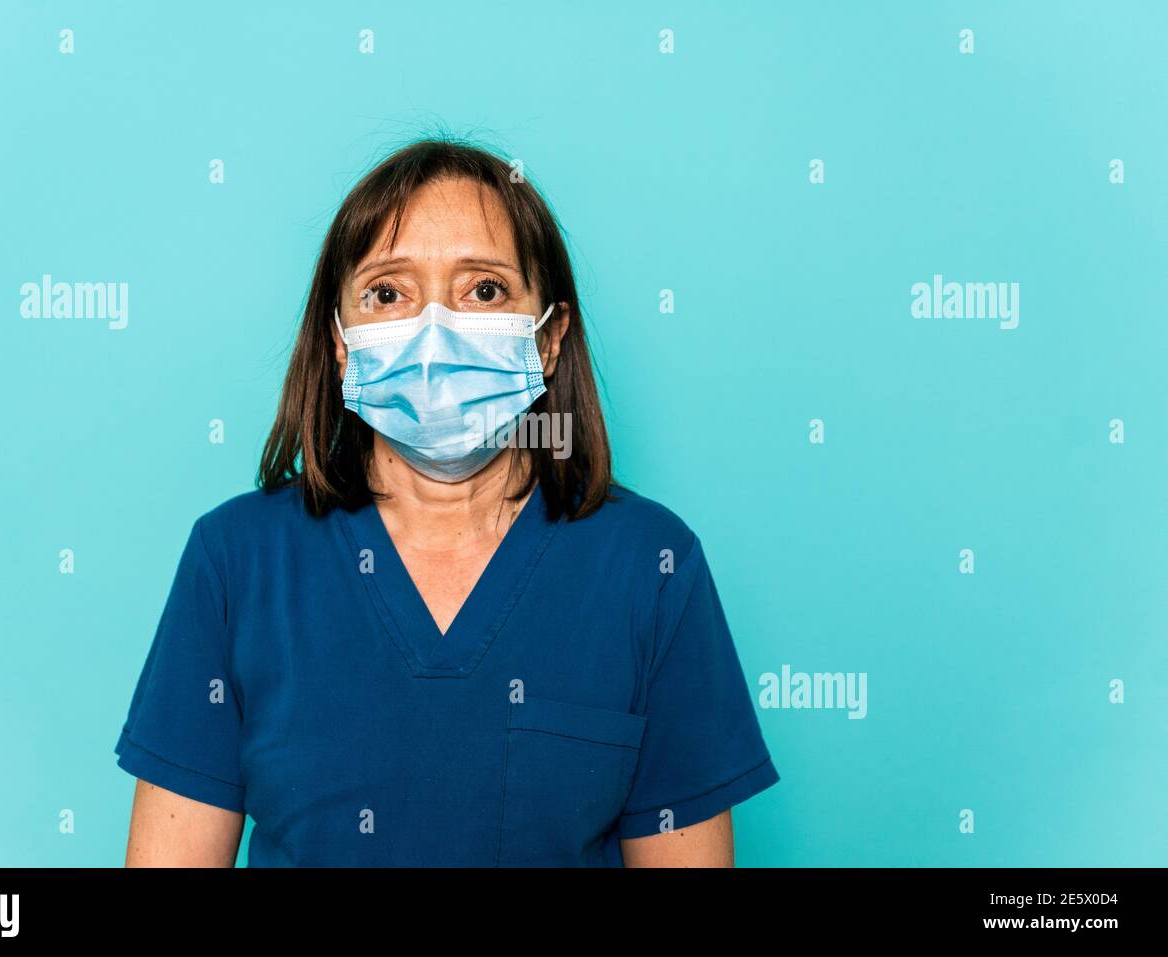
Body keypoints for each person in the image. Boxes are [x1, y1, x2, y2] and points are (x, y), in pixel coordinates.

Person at [114, 137, 780, 867]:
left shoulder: (650, 568)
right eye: (388, 293)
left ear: (549, 337)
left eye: (484, 289)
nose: (434, 332)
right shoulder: (237, 563)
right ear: (340, 344)